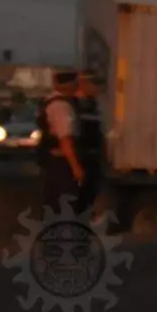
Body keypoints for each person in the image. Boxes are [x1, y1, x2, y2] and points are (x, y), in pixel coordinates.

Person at [36, 71, 85, 211]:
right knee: (64, 204)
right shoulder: (62, 107)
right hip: (61, 163)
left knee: (54, 204)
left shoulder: (49, 101)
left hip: (52, 161)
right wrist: (76, 167)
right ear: (70, 85)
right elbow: (65, 139)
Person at [75, 70, 106, 219]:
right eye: (94, 84)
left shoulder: (93, 104)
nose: (98, 89)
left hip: (93, 157)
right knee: (79, 197)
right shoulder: (76, 105)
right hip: (83, 156)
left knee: (90, 194)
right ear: (84, 84)